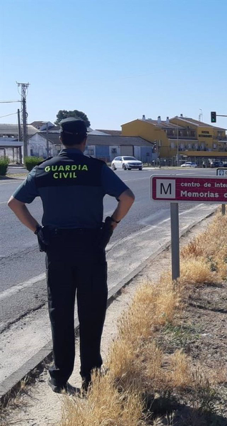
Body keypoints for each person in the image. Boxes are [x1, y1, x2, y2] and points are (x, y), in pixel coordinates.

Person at [7, 117, 135, 394]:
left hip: (57, 249)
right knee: (92, 311)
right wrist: (111, 225)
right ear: (84, 140)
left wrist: (38, 231)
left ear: (60, 140)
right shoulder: (95, 170)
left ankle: (59, 375)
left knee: (60, 312)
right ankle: (91, 375)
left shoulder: (43, 170)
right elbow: (127, 198)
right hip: (90, 246)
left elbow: (14, 203)